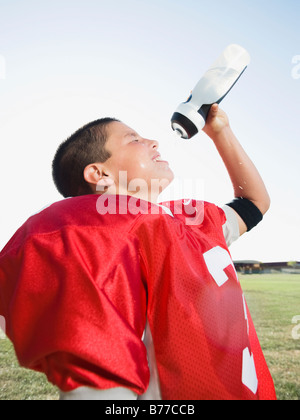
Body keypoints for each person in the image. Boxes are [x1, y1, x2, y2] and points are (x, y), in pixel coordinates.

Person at [0, 104, 276, 400]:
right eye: (133, 139)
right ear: (99, 172)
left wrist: (221, 132)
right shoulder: (85, 231)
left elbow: (254, 202)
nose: (153, 142)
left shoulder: (188, 219)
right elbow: (99, 388)